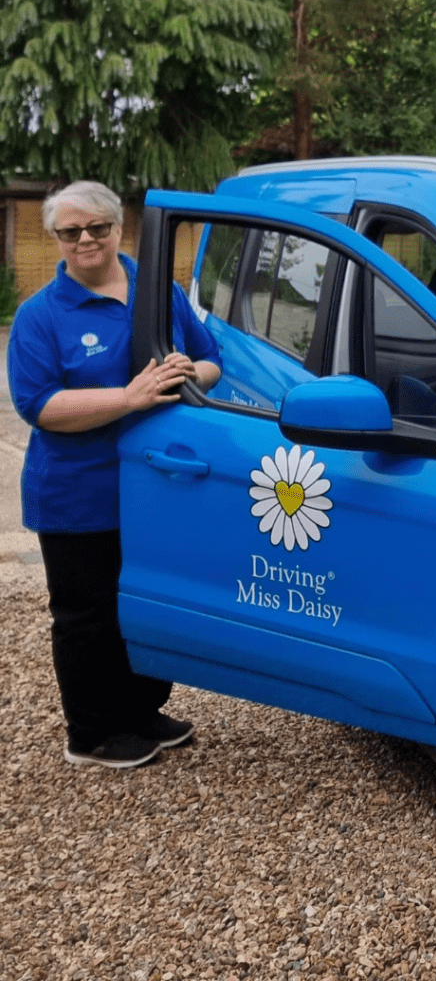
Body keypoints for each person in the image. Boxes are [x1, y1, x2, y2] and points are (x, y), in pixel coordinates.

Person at [7, 181, 222, 769]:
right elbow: (40, 406)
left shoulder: (160, 292)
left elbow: (211, 359)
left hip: (155, 487)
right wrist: (129, 398)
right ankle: (92, 732)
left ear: (117, 228)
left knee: (146, 601)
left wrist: (188, 373)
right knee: (88, 616)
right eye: (70, 232)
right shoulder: (40, 316)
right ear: (57, 239)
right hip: (77, 493)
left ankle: (140, 710)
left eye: (96, 228)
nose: (84, 241)